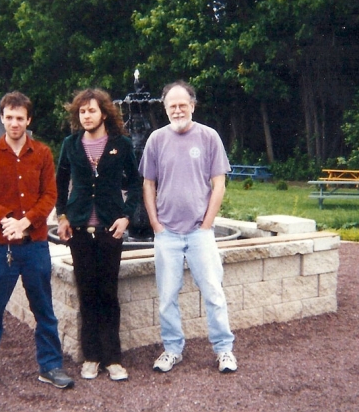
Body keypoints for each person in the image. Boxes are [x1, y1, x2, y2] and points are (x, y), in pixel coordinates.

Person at [0, 91, 73, 401]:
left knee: (44, 309)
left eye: (21, 118)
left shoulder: (43, 153)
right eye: (10, 117)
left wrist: (26, 223)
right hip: (0, 247)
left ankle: (50, 366)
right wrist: (7, 220)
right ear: (2, 118)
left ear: (28, 120)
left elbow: (49, 195)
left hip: (35, 246)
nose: (15, 122)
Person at [138, 80, 238, 373]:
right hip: (166, 233)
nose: (178, 110)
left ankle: (224, 351)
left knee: (213, 293)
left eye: (183, 105)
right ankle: (172, 349)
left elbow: (219, 184)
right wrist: (155, 223)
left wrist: (207, 224)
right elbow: (148, 183)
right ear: (165, 108)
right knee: (167, 297)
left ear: (192, 106)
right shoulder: (156, 139)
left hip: (199, 233)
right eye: (172, 106)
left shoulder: (209, 137)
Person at [56, 88, 141, 381]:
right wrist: (62, 216)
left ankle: (113, 358)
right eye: (82, 111)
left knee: (108, 293)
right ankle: (91, 356)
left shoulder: (122, 145)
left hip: (109, 230)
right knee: (87, 292)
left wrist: (126, 216)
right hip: (79, 230)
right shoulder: (70, 144)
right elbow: (60, 184)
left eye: (92, 110)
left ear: (103, 113)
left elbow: (136, 185)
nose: (87, 116)